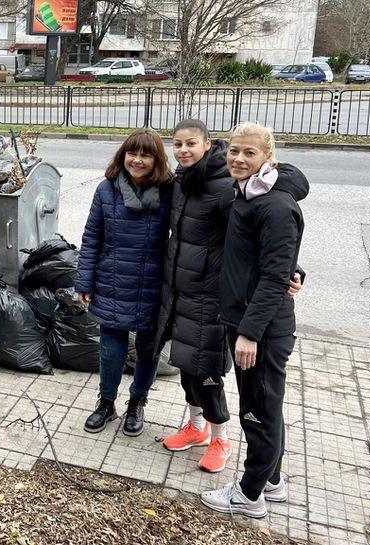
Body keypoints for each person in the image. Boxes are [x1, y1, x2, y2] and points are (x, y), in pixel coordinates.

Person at [157, 120, 305, 474]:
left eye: (191, 143)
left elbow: (256, 240)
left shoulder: (228, 185)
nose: (183, 151)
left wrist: (293, 271)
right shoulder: (183, 180)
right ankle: (196, 428)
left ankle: (221, 437)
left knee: (206, 370)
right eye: (177, 144)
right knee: (184, 365)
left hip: (213, 294)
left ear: (209, 145)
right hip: (180, 288)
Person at [200, 122, 308, 519]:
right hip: (249, 319)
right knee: (266, 405)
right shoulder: (248, 194)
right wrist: (295, 271)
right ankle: (272, 481)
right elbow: (275, 261)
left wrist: (249, 333)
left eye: (249, 153)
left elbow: (274, 274)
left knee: (257, 411)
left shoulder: (275, 205)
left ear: (268, 157)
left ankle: (249, 495)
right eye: (234, 151)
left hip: (260, 328)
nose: (239, 159)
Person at [76, 128, 172, 436]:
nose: (138, 160)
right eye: (132, 153)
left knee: (148, 351)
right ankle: (106, 403)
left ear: (157, 159)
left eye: (146, 154)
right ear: (123, 155)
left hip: (153, 286)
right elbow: (91, 238)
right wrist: (84, 281)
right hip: (113, 281)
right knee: (111, 352)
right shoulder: (107, 190)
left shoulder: (170, 191)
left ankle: (137, 402)